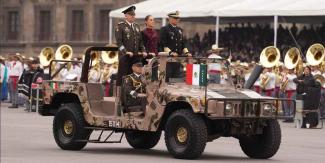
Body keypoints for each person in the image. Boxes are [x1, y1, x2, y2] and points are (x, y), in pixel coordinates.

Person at [115, 5, 147, 87]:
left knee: (136, 75)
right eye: (131, 15)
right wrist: (125, 52)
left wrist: (143, 50)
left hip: (135, 55)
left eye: (134, 15)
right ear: (126, 16)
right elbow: (119, 43)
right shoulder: (120, 26)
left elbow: (140, 41)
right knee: (124, 75)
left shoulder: (136, 26)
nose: (133, 17)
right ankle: (121, 94)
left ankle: (135, 92)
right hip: (125, 56)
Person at [160, 11, 191, 82]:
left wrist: (187, 52)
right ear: (170, 19)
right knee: (168, 77)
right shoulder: (165, 29)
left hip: (178, 58)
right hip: (168, 58)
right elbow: (163, 44)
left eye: (178, 18)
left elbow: (183, 43)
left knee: (176, 78)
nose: (177, 20)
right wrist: (170, 52)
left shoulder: (179, 30)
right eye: (175, 18)